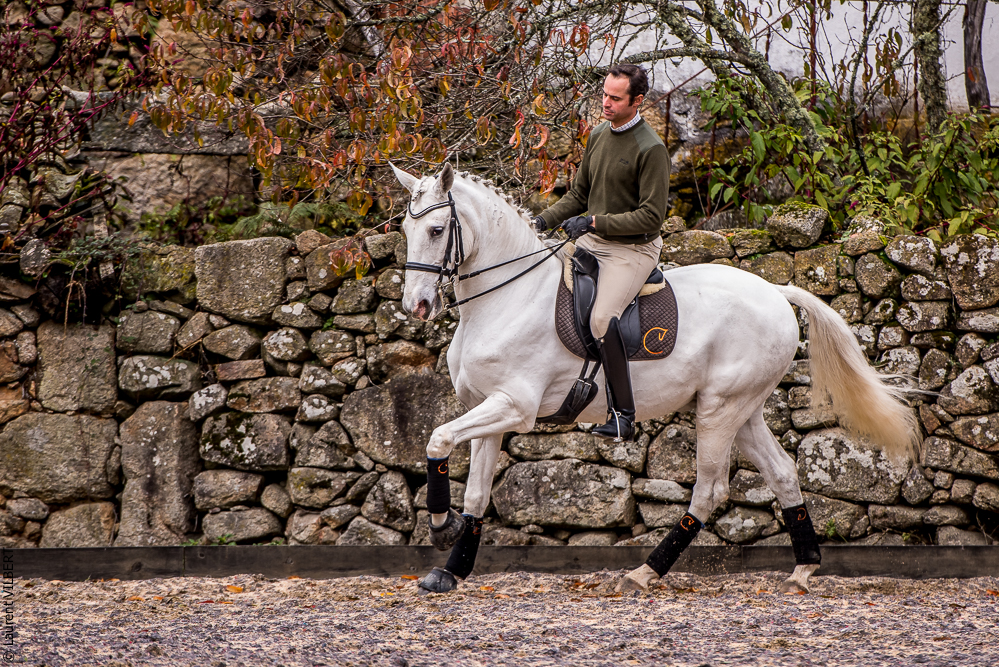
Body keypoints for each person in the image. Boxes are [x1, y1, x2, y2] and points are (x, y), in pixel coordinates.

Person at [533, 63, 671, 441]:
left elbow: (651, 216)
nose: (605, 103)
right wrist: (541, 223)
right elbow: (578, 195)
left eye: (614, 98)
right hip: (594, 240)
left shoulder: (651, 148)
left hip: (632, 250)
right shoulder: (597, 135)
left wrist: (594, 223)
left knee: (601, 318)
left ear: (637, 100)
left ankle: (622, 415)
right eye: (604, 95)